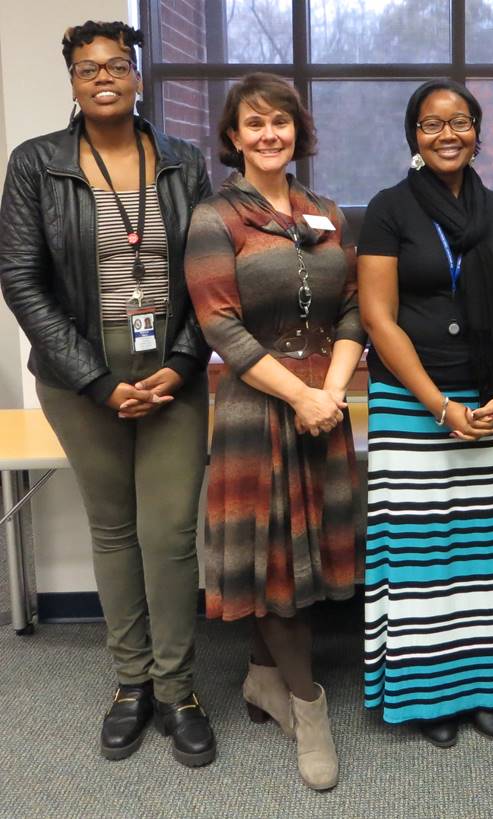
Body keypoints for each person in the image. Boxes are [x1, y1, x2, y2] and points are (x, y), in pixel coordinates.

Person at [0, 21, 215, 767]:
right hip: (79, 377)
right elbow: (21, 278)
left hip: (172, 374)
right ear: (71, 80)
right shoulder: (38, 164)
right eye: (87, 68)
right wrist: (94, 378)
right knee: (114, 528)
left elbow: (212, 275)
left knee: (170, 534)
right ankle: (131, 685)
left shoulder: (183, 161)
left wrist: (185, 362)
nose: (102, 77)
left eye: (116, 65)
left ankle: (178, 688)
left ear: (137, 77)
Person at [184, 73, 364, 791]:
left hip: (323, 397)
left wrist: (331, 391)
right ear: (233, 137)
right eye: (253, 123)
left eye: (280, 122)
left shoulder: (325, 212)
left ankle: (263, 677)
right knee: (277, 557)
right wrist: (300, 395)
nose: (268, 134)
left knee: (301, 552)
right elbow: (219, 324)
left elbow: (351, 308)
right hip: (258, 404)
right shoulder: (214, 216)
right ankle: (309, 707)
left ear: (297, 132)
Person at [358, 79, 493, 748]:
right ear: (413, 136)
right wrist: (437, 404)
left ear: (476, 131)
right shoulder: (388, 208)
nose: (446, 134)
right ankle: (428, 692)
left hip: (492, 398)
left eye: (459, 122)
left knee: (488, 555)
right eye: (432, 125)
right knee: (424, 556)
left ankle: (487, 686)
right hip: (412, 405)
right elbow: (378, 315)